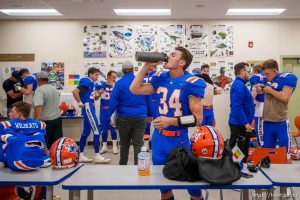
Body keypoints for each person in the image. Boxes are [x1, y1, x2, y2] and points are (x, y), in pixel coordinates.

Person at [130, 46, 206, 200]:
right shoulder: (161, 77)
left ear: (182, 62)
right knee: (163, 186)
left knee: (192, 187)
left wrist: (170, 121)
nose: (167, 57)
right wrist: (146, 66)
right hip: (159, 138)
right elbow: (135, 88)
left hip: (179, 139)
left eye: (172, 55)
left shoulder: (192, 82)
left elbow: (197, 119)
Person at [0, 101, 47, 199]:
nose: (9, 114)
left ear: (19, 114)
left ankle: (17, 194)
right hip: (36, 164)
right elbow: (45, 148)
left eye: (12, 112)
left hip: (12, 165)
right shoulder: (40, 124)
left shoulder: (7, 124)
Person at [106, 60, 148, 165]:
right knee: (138, 144)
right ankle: (139, 168)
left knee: (124, 144)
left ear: (123, 71)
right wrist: (151, 114)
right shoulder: (141, 82)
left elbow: (113, 102)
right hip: (140, 117)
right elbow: (149, 99)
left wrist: (108, 117)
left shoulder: (119, 83)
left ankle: (123, 167)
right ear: (133, 69)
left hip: (124, 118)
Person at [256, 59, 298, 154]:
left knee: (284, 154)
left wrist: (270, 90)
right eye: (264, 74)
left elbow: (285, 97)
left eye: (267, 74)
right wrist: (260, 89)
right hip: (267, 121)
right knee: (268, 153)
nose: (265, 76)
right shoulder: (268, 79)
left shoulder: (286, 78)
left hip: (281, 122)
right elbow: (263, 92)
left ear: (274, 71)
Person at [72, 67, 110, 164]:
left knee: (86, 132)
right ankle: (97, 156)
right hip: (88, 108)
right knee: (97, 131)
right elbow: (75, 91)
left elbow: (94, 98)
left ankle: (81, 155)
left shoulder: (91, 84)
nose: (97, 77)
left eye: (98, 75)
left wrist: (98, 94)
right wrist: (80, 102)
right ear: (90, 74)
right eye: (96, 74)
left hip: (90, 107)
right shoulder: (87, 81)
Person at [228, 62, 254, 163]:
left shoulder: (241, 85)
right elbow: (236, 107)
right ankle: (237, 169)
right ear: (242, 72)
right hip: (239, 124)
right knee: (238, 152)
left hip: (242, 124)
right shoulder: (238, 86)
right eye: (248, 72)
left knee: (243, 151)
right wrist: (246, 123)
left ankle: (241, 167)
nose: (249, 74)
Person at [32, 71, 62, 149]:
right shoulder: (54, 89)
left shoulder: (39, 90)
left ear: (38, 79)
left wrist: (36, 122)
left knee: (43, 146)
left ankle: (45, 160)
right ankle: (55, 160)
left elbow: (38, 106)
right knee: (56, 145)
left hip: (46, 123)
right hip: (57, 120)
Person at [99, 70, 118, 154]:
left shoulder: (116, 86)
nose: (114, 79)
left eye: (115, 77)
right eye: (113, 77)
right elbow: (96, 96)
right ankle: (104, 146)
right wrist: (104, 87)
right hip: (103, 110)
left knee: (113, 130)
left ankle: (114, 146)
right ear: (109, 77)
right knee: (104, 130)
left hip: (112, 111)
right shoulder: (102, 84)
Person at [249, 65, 266, 146]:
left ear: (255, 71)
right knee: (265, 127)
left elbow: (255, 91)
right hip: (268, 104)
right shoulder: (266, 76)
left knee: (259, 129)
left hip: (259, 105)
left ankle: (262, 146)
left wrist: (248, 103)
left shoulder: (255, 77)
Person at [143, 65, 158, 151]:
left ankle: (155, 142)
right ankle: (146, 143)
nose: (150, 67)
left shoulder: (157, 75)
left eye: (152, 65)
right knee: (146, 125)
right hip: (145, 103)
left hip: (156, 103)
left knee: (158, 124)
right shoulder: (142, 75)